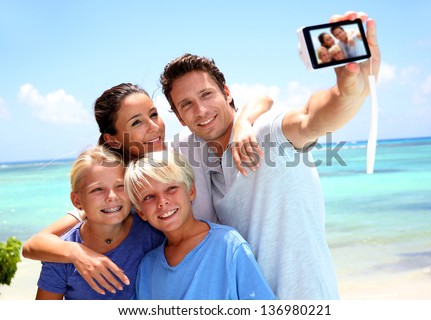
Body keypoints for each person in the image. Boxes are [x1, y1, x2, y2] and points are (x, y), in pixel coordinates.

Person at [159, 11, 380, 300]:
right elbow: (133, 178)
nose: (200, 110)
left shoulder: (265, 131)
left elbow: (310, 118)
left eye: (206, 95)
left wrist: (349, 91)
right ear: (177, 115)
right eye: (186, 104)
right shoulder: (188, 152)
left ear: (226, 92)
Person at [22, 83, 272, 295]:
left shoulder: (184, 150)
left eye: (153, 114)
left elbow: (264, 98)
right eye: (137, 122)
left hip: (216, 267)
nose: (153, 127)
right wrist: (77, 253)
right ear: (113, 139)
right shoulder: (114, 194)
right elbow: (34, 244)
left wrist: (243, 123)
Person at [124, 150, 276, 299]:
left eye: (171, 188)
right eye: (149, 197)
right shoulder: (147, 267)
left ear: (191, 191)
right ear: (141, 212)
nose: (162, 201)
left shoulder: (229, 245)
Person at [35, 145, 164, 299]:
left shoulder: (151, 233)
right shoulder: (60, 256)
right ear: (77, 200)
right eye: (97, 189)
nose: (111, 196)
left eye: (120, 186)